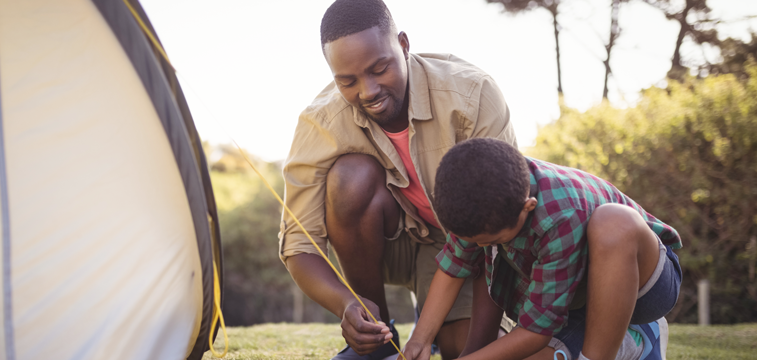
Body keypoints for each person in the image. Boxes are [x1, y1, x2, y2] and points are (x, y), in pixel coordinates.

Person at [278, 0, 517, 359]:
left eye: (380, 68)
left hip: (470, 245)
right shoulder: (321, 122)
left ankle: (437, 316)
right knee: (350, 178)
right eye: (347, 80)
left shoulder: (471, 95)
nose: (368, 90)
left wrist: (477, 349)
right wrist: (348, 305)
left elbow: (501, 226)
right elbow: (299, 245)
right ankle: (378, 342)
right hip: (390, 244)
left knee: (467, 348)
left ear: (403, 45)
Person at [403, 138, 682, 360]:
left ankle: (634, 338)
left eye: (490, 238)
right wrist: (420, 339)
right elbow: (453, 268)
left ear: (528, 207)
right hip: (577, 300)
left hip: (647, 286)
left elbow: (536, 332)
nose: (479, 247)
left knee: (613, 223)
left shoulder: (559, 216)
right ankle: (615, 342)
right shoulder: (476, 197)